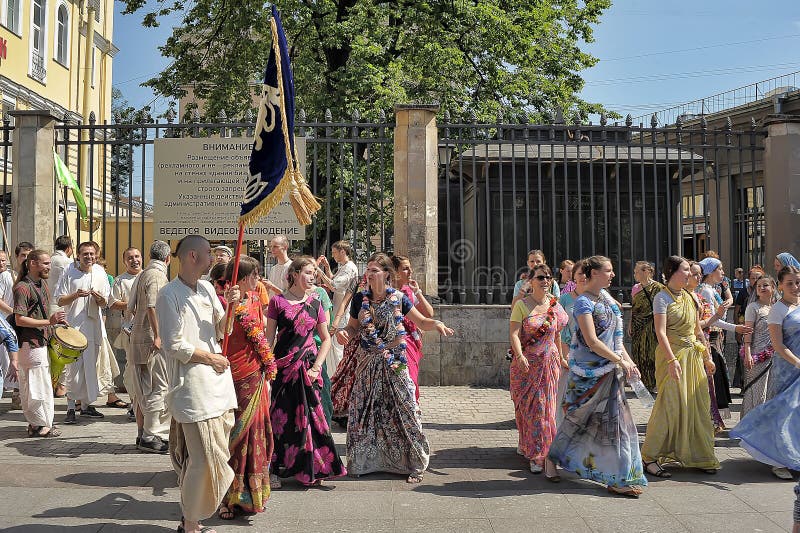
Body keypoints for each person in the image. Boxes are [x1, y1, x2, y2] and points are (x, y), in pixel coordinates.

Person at [337, 253, 454, 483]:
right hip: (368, 364)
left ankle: (413, 461)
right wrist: (345, 333)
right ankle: (364, 462)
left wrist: (437, 324)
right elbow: (352, 328)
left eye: (374, 270)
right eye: (368, 270)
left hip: (395, 363)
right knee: (365, 413)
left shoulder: (399, 298)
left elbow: (421, 321)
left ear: (387, 274)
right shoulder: (360, 300)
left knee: (405, 409)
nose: (369, 274)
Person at [156, 235, 239, 533]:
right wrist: (210, 358)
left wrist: (230, 307)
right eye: (208, 252)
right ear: (193, 256)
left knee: (212, 456)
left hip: (216, 384)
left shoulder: (205, 288)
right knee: (203, 459)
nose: (214, 257)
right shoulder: (168, 295)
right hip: (191, 387)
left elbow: (220, 329)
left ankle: (191, 520)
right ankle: (190, 524)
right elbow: (173, 344)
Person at [547, 256, 646, 498]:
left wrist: (629, 362)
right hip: (586, 374)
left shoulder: (608, 300)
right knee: (577, 421)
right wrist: (620, 360)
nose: (613, 275)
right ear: (593, 274)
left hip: (610, 372)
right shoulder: (583, 303)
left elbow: (616, 338)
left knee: (618, 426)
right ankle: (552, 458)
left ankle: (619, 477)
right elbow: (592, 340)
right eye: (608, 271)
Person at [265, 256, 346, 488]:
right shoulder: (277, 303)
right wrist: (266, 367)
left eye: (314, 273)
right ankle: (277, 469)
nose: (313, 277)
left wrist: (317, 367)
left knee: (312, 419)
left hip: (310, 367)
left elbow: (327, 339)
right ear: (294, 274)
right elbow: (269, 339)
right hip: (284, 369)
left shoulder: (316, 302)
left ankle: (313, 466)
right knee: (281, 419)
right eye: (309, 272)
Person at [641, 256, 720, 478]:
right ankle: (649, 457)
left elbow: (697, 330)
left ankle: (700, 454)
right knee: (670, 405)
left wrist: (707, 356)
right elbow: (661, 333)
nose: (690, 274)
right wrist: (671, 360)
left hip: (693, 357)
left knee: (697, 405)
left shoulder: (689, 296)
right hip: (671, 357)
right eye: (686, 270)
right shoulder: (661, 298)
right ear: (672, 272)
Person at [731, 265, 800, 517]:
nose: (795, 287)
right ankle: (778, 460)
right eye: (790, 283)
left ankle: (794, 456)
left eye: (798, 282)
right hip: (788, 367)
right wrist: (798, 363)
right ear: (780, 286)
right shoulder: (777, 311)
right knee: (782, 411)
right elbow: (779, 345)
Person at [218, 255, 277, 519]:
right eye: (254, 275)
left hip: (256, 372)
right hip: (235, 373)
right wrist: (230, 307)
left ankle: (253, 495)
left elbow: (261, 333)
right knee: (236, 436)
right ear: (242, 278)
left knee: (257, 434)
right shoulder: (223, 302)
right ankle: (229, 497)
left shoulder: (254, 299)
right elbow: (222, 332)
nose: (258, 280)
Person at [509, 264, 567, 478]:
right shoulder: (522, 306)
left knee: (545, 409)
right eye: (541, 277)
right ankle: (528, 443)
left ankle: (539, 454)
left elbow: (558, 334)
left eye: (548, 277)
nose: (545, 281)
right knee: (527, 409)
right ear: (530, 281)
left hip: (549, 364)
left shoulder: (555, 305)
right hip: (526, 366)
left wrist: (561, 357)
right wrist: (521, 356)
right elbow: (514, 334)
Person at [55, 241, 123, 424]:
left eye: (92, 254)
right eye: (85, 254)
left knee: (91, 367)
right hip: (73, 327)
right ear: (78, 255)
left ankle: (86, 406)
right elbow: (60, 299)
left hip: (93, 327)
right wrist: (76, 295)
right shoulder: (69, 271)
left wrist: (99, 298)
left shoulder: (100, 272)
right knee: (73, 368)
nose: (89, 257)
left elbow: (106, 302)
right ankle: (71, 407)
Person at [738, 274, 791, 480]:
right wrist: (749, 352)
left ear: (773, 287)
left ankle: (767, 445)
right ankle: (753, 435)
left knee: (771, 399)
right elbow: (748, 333)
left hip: (776, 360)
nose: (761, 288)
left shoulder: (778, 307)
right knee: (757, 397)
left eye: (765, 285)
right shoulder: (753, 308)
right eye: (759, 286)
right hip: (758, 358)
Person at [12, 250, 68, 438]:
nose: (49, 267)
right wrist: (49, 322)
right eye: (45, 263)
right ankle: (40, 425)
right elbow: (20, 319)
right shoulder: (22, 287)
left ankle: (39, 424)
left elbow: (44, 314)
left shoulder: (42, 284)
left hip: (40, 343)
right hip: (30, 344)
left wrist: (56, 323)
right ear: (33, 263)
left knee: (40, 385)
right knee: (36, 387)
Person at [127, 241, 172, 453]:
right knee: (158, 388)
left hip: (140, 338)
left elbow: (132, 306)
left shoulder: (144, 273)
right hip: (152, 341)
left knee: (144, 390)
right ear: (168, 258)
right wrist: (158, 335)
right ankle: (150, 435)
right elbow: (153, 306)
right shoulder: (156, 275)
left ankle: (143, 433)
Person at [696, 257, 738, 423]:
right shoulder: (706, 290)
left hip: (715, 335)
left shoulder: (711, 289)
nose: (722, 272)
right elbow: (714, 319)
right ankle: (710, 416)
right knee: (712, 377)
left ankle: (711, 416)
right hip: (710, 337)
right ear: (711, 272)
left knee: (714, 377)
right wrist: (736, 328)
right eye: (720, 269)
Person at [391, 255, 434, 401]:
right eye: (405, 269)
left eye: (410, 268)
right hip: (391, 341)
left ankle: (412, 409)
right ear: (395, 272)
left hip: (410, 340)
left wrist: (418, 292)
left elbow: (429, 313)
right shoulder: (385, 292)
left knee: (412, 378)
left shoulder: (408, 291)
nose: (410, 271)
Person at [316, 240, 358, 377]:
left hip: (343, 312)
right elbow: (334, 279)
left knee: (337, 347)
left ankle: (338, 376)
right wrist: (327, 269)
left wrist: (318, 271)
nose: (333, 255)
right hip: (338, 308)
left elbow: (334, 286)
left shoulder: (349, 268)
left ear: (342, 251)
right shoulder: (344, 266)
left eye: (334, 252)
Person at [108, 247, 142, 399]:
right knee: (132, 367)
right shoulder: (120, 280)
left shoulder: (150, 276)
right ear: (124, 262)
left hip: (151, 330)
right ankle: (134, 400)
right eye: (130, 258)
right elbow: (113, 303)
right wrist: (131, 306)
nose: (134, 260)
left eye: (137, 256)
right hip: (131, 330)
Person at [556, 260, 586, 426]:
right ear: (573, 276)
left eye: (586, 273)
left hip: (590, 354)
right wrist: (563, 355)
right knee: (565, 396)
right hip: (569, 352)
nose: (583, 277)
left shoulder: (597, 297)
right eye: (579, 273)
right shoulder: (565, 299)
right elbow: (559, 329)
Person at [629, 261, 663, 391]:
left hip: (651, 325)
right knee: (638, 353)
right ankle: (641, 382)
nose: (634, 274)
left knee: (651, 354)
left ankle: (653, 382)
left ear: (647, 272)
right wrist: (630, 324)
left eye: (637, 272)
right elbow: (634, 308)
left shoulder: (659, 288)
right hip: (638, 326)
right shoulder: (635, 288)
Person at [48, 235, 74, 399]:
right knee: (64, 349)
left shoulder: (48, 260)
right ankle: (61, 386)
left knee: (51, 350)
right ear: (69, 249)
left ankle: (52, 384)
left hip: (47, 309)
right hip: (62, 309)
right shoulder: (69, 264)